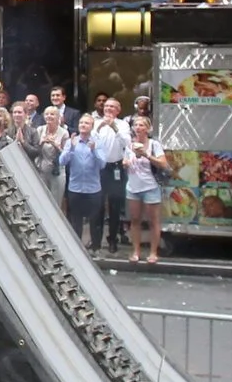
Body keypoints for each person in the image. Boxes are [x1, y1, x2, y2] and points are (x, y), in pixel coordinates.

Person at [125, 115, 167, 263]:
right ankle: (136, 252)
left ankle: (153, 252)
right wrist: (126, 163)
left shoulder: (154, 144)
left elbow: (163, 164)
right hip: (133, 187)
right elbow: (125, 161)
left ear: (148, 129)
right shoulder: (130, 145)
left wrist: (146, 155)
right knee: (135, 220)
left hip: (150, 186)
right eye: (136, 125)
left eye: (142, 125)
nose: (138, 128)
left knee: (153, 221)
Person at [61, 113, 106, 252]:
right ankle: (77, 249)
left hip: (93, 189)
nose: (83, 125)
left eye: (86, 123)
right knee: (76, 220)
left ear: (92, 126)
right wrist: (72, 149)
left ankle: (96, 248)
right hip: (75, 188)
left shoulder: (98, 142)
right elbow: (62, 161)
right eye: (81, 123)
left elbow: (102, 164)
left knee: (95, 220)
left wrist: (93, 151)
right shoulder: (71, 141)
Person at [94, 98, 132, 253]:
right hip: (100, 168)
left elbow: (127, 143)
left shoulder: (123, 124)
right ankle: (96, 240)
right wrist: (99, 128)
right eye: (106, 106)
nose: (108, 109)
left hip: (116, 167)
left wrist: (114, 127)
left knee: (115, 205)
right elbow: (91, 141)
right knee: (98, 206)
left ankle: (113, 239)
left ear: (118, 110)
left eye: (112, 107)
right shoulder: (96, 123)